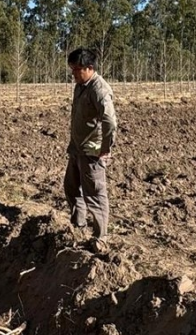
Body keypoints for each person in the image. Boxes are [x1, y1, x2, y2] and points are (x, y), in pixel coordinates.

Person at [64, 48, 117, 244]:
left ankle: (100, 238)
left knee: (94, 195)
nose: (73, 74)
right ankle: (78, 228)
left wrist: (105, 147)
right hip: (77, 148)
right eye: (72, 69)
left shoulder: (99, 89)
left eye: (77, 69)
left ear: (89, 68)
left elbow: (110, 121)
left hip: (92, 150)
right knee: (71, 188)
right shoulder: (80, 86)